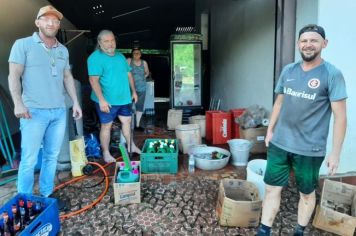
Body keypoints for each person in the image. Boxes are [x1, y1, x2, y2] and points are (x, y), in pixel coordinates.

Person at [257, 24, 347, 236]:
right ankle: (264, 230)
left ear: (324, 44)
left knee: (306, 193)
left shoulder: (332, 74)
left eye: (314, 40)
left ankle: (299, 231)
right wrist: (270, 131)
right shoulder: (289, 70)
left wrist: (335, 153)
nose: (308, 45)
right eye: (304, 41)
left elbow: (340, 117)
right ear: (298, 44)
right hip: (280, 143)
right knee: (271, 188)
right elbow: (279, 103)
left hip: (309, 148)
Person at [8, 6, 82, 198]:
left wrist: (75, 102)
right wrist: (18, 103)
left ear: (58, 25)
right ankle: (24, 201)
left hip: (58, 112)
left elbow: (67, 77)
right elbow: (13, 76)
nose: (51, 23)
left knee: (51, 157)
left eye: (55, 20)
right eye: (46, 19)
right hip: (33, 112)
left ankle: (46, 194)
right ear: (37, 22)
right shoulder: (22, 45)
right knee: (29, 159)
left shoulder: (63, 50)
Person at [87, 30, 141, 163]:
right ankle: (106, 153)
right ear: (100, 43)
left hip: (123, 99)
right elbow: (93, 80)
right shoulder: (94, 58)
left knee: (127, 122)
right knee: (107, 126)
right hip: (107, 101)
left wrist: (133, 91)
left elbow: (128, 75)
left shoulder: (120, 57)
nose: (111, 44)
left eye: (112, 40)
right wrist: (101, 100)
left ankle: (130, 145)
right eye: (106, 41)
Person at [127, 48, 150, 131]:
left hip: (141, 87)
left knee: (139, 106)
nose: (136, 54)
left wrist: (144, 77)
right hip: (129, 88)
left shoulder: (144, 62)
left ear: (140, 54)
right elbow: (124, 71)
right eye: (134, 53)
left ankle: (137, 125)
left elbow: (147, 72)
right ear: (132, 54)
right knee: (128, 105)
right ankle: (128, 125)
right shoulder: (129, 61)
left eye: (138, 53)